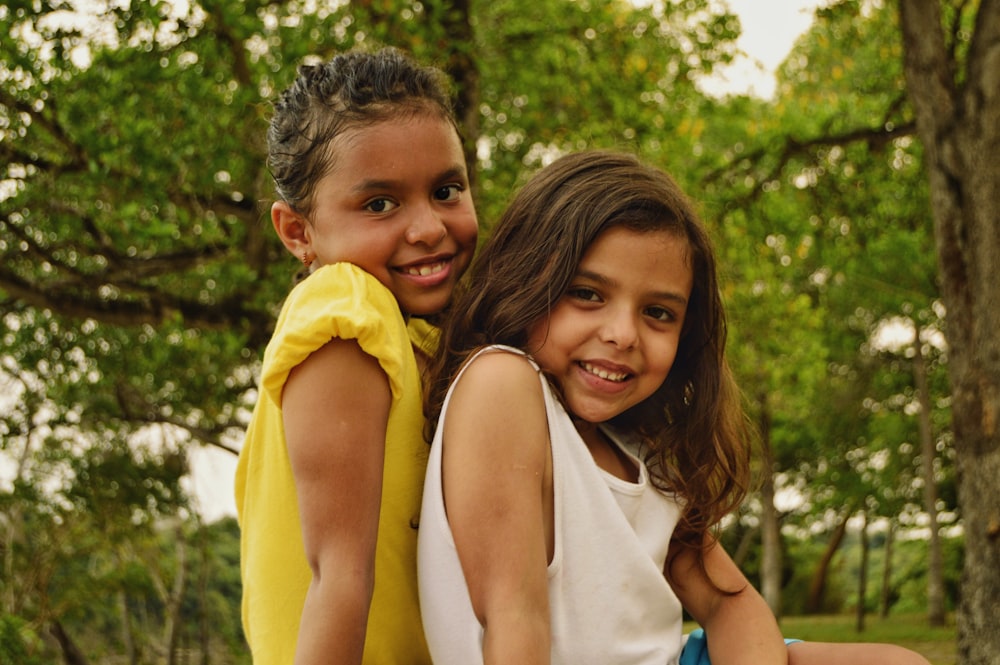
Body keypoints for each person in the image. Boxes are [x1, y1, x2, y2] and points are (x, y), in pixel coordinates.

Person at [417, 150, 931, 665]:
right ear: (524, 280)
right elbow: (513, 620)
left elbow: (731, 606)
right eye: (587, 293)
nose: (622, 335)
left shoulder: (640, 448)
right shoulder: (501, 383)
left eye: (658, 313)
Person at [234, 47, 477, 665]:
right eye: (379, 204)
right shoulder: (345, 311)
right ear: (298, 232)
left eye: (447, 190)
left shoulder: (421, 333)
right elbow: (338, 577)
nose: (428, 228)